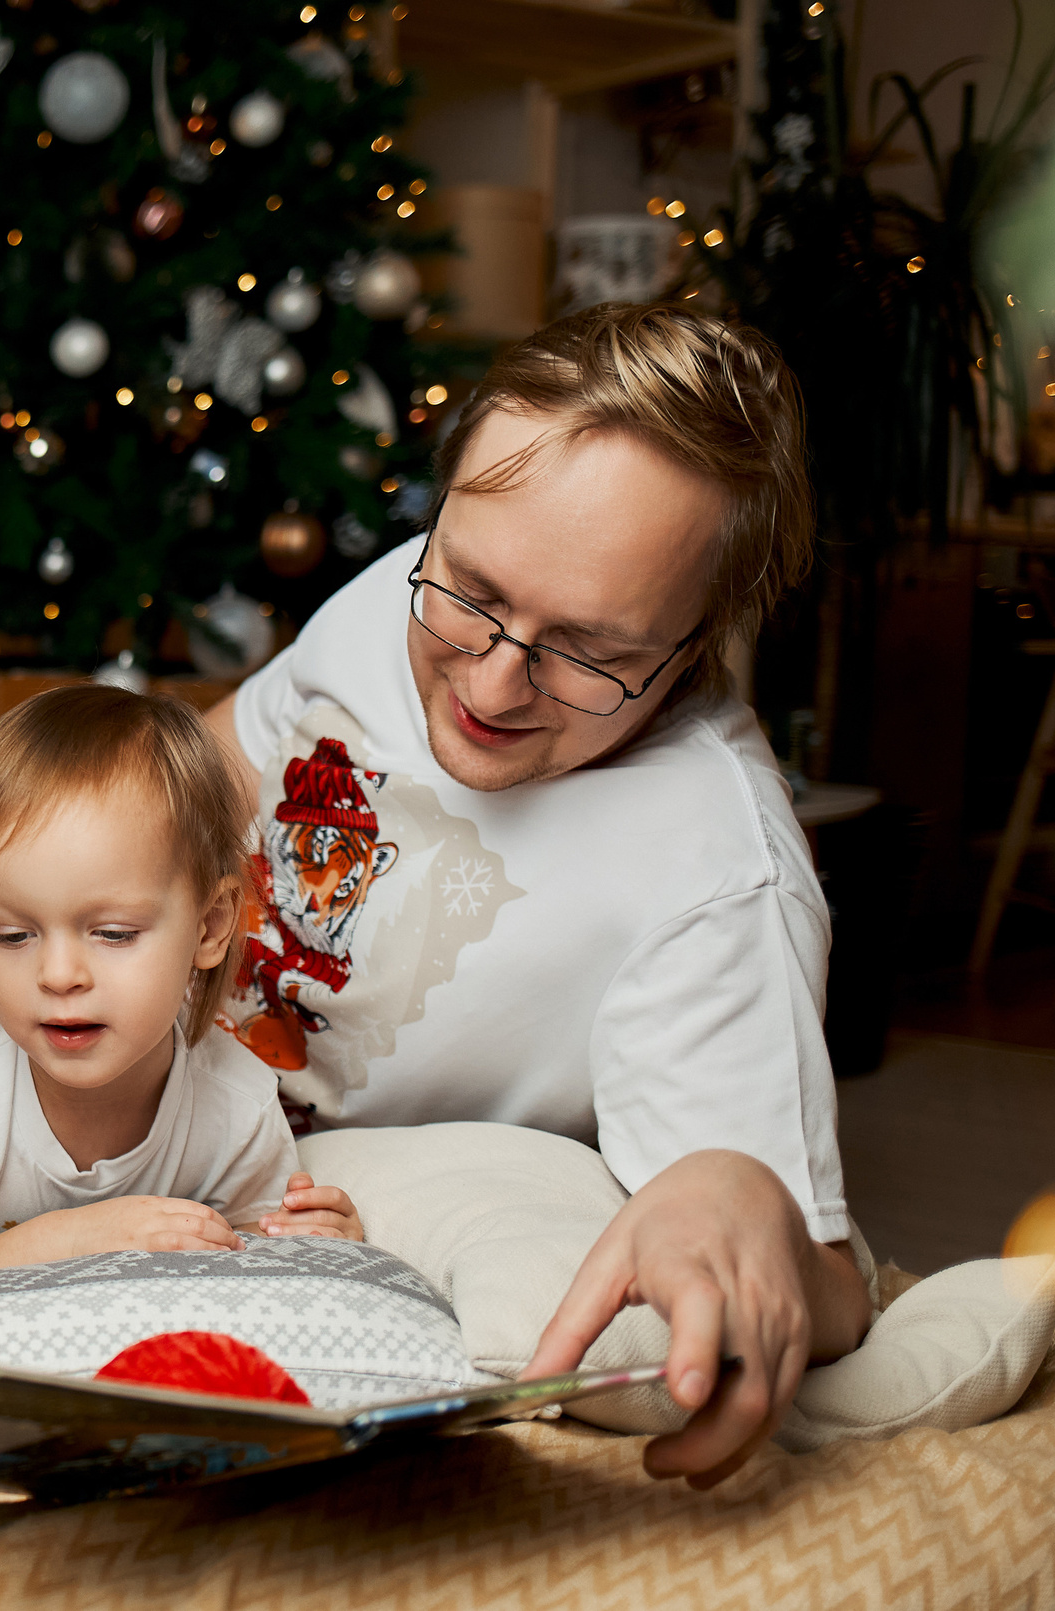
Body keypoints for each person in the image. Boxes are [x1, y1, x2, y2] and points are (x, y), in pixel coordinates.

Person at [201, 302, 871, 1488]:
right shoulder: (409, 589)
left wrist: (749, 1199)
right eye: (469, 591)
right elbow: (206, 763)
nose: (494, 680)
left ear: (700, 640)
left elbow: (813, 1281)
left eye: (589, 653)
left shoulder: (716, 871)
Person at [0, 686, 361, 1290]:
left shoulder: (237, 1104)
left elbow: (252, 1259)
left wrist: (319, 1243)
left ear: (211, 926)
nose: (59, 975)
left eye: (114, 934)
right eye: (13, 935)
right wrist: (71, 1241)